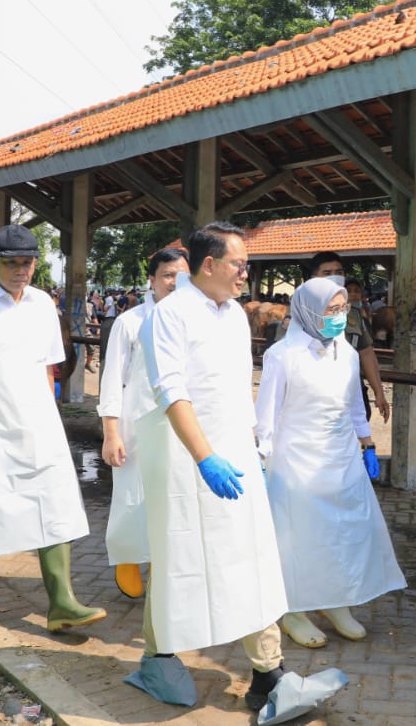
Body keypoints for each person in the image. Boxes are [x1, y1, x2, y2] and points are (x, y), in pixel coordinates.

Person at [133, 222, 288, 710]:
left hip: (235, 458)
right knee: (178, 559)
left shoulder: (236, 315)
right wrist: (204, 458)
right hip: (187, 461)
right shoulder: (170, 314)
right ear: (209, 264)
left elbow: (237, 390)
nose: (246, 273)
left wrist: (252, 449)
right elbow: (170, 391)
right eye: (239, 264)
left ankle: (268, 671)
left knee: (251, 557)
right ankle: (158, 656)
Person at [0, 225, 105, 632]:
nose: (21, 271)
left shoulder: (42, 303)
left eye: (27, 263)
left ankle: (62, 600)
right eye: (11, 263)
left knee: (54, 499)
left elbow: (47, 366)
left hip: (35, 421)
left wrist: (49, 414)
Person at [255, 277, 406, 650]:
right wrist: (261, 457)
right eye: (331, 310)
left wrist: (367, 442)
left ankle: (336, 600)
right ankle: (293, 609)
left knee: (344, 532)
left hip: (341, 457)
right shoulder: (282, 356)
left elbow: (354, 404)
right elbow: (267, 414)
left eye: (343, 309)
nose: (339, 316)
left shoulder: (348, 354)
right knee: (300, 537)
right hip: (297, 460)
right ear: (308, 311)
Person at [97, 248, 190, 600]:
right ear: (152, 279)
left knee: (175, 497)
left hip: (180, 423)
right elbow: (111, 380)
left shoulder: (194, 321)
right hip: (137, 423)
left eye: (182, 275)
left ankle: (164, 568)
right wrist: (110, 433)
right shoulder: (130, 322)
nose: (175, 282)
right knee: (134, 495)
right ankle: (129, 557)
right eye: (168, 275)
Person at [304, 252, 390, 423]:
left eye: (339, 272)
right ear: (313, 279)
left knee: (358, 428)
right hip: (314, 392)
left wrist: (379, 392)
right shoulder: (301, 313)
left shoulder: (354, 315)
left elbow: (366, 353)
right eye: (327, 273)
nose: (334, 277)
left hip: (352, 389)